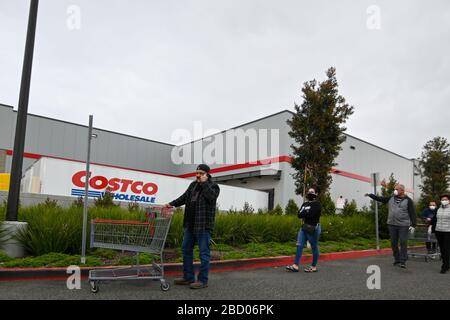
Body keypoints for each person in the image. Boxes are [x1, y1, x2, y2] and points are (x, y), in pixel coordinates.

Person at [165, 164, 220, 289]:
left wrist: (204, 183)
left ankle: (202, 281)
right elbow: (184, 198)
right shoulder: (193, 185)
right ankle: (188, 277)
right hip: (190, 225)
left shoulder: (213, 186)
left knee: (204, 254)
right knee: (186, 250)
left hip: (203, 226)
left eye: (200, 173)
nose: (198, 175)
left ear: (206, 174)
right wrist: (171, 204)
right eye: (197, 173)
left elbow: (211, 197)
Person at [365, 184, 416, 268]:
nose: (395, 190)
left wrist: (413, 224)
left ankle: (403, 260)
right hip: (392, 225)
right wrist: (371, 195)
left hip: (403, 225)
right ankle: (397, 259)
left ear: (402, 191)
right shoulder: (391, 198)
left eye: (396, 189)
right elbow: (380, 199)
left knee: (403, 242)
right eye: (394, 189)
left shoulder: (408, 200)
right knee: (393, 243)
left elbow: (412, 213)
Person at [286, 188, 322, 273]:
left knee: (314, 247)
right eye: (309, 192)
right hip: (304, 227)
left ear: (315, 194)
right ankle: (295, 266)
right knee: (299, 245)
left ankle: (313, 266)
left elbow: (312, 214)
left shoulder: (317, 204)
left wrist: (305, 212)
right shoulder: (305, 203)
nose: (310, 194)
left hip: (314, 228)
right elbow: (299, 214)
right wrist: (306, 212)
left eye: (312, 192)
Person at [432, 193, 450, 274]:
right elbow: (434, 219)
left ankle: (445, 266)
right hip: (439, 231)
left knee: (446, 249)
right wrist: (431, 226)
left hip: (448, 231)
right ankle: (447, 264)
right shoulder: (438, 209)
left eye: (445, 199)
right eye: (442, 199)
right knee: (442, 249)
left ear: (449, 201)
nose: (444, 201)